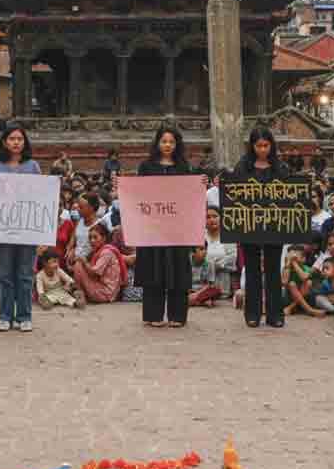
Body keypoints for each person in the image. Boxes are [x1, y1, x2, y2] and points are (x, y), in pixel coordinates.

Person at [136, 125, 196, 329]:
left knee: (177, 267)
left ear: (177, 144)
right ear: (157, 143)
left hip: (177, 228)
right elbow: (138, 195)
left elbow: (191, 195)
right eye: (164, 141)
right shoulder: (146, 167)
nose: (168, 145)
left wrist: (201, 183)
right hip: (153, 228)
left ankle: (177, 315)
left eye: (171, 141)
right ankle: (154, 314)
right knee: (154, 267)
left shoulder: (184, 167)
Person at [234, 126, 289, 329]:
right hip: (249, 225)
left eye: (266, 145)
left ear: (272, 146)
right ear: (252, 146)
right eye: (259, 146)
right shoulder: (243, 167)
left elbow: (289, 195)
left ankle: (275, 314)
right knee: (253, 270)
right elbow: (235, 194)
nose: (263, 149)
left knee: (274, 269)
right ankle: (253, 314)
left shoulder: (281, 168)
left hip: (274, 225)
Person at [0, 122, 41, 332]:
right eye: (12, 139)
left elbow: (41, 197)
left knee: (25, 274)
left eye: (19, 139)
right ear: (4, 142)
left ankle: (24, 315)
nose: (16, 143)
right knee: (5, 275)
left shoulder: (33, 166)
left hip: (27, 227)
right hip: (3, 227)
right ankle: (5, 316)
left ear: (25, 142)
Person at [189, 207, 239, 306]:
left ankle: (199, 298)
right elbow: (192, 256)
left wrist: (211, 264)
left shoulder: (228, 237)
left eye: (215, 216)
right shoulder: (199, 235)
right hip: (198, 281)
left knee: (213, 289)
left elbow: (232, 260)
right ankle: (200, 298)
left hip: (221, 282)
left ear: (221, 218)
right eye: (208, 217)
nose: (211, 219)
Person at [72, 223, 127, 304]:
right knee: (79, 264)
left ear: (104, 238)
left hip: (105, 293)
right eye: (90, 238)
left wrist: (84, 261)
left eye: (95, 237)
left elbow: (94, 273)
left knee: (78, 264)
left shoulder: (106, 252)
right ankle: (78, 292)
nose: (92, 241)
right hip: (104, 291)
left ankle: (80, 293)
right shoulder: (99, 251)